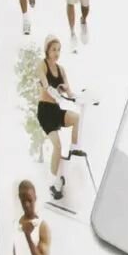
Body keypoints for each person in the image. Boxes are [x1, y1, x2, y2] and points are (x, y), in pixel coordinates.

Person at [37, 35, 82, 200]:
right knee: (57, 145)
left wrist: (78, 97)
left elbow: (69, 93)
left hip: (56, 110)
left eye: (59, 50)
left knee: (76, 118)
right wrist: (53, 91)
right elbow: (45, 84)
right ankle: (54, 183)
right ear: (47, 50)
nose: (56, 53)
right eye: (53, 49)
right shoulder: (42, 65)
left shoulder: (61, 70)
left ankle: (74, 149)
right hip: (45, 111)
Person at [4, 180, 52, 255]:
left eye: (30, 200)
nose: (27, 204)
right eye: (23, 200)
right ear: (19, 199)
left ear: (35, 198)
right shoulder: (16, 224)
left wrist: (28, 237)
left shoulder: (42, 226)